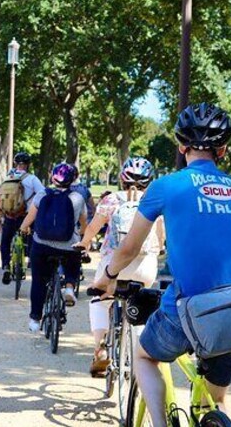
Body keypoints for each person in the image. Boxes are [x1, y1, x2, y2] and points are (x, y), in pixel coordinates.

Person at [91, 102, 231, 425]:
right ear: (223, 150)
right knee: (215, 399)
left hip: (190, 308)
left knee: (144, 355)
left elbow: (128, 249)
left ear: (181, 146)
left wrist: (107, 278)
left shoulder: (165, 186)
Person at [77, 157, 164, 377]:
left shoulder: (110, 200)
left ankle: (100, 349)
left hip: (113, 264)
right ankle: (142, 350)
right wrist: (159, 248)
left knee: (99, 301)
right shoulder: (155, 201)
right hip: (145, 266)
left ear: (122, 179)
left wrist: (84, 244)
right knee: (144, 305)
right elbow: (161, 237)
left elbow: (93, 229)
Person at [20, 162, 87, 332]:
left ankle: (35, 319)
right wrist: (84, 238)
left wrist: (24, 228)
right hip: (68, 245)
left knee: (39, 281)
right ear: (73, 179)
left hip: (42, 245)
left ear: (53, 177)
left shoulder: (42, 194)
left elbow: (30, 218)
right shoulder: (77, 198)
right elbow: (83, 222)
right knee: (73, 260)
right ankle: (70, 287)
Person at [0, 152, 46, 284]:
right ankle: (31, 261)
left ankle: (6, 265)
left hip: (10, 216)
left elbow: (0, 197)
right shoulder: (32, 179)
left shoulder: (8, 178)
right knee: (34, 238)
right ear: (28, 165)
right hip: (26, 216)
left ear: (15, 164)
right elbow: (43, 194)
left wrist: (0, 216)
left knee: (5, 241)